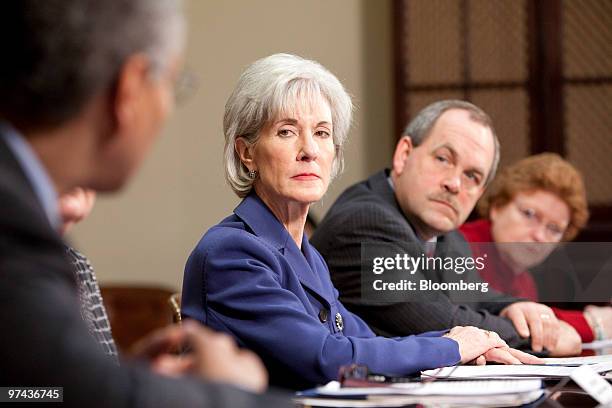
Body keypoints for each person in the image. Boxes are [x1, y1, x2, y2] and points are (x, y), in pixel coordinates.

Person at [181, 54, 540, 391]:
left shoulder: (308, 255)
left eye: (322, 133)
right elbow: (327, 358)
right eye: (287, 131)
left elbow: (366, 342)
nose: (309, 150)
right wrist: (452, 347)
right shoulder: (230, 251)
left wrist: (467, 340)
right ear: (247, 153)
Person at [0, 1, 290, 406]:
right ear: (131, 88)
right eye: (173, 85)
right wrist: (229, 394)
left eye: (324, 133)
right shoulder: (14, 229)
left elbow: (36, 390)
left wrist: (124, 377)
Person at [311, 100, 581, 356]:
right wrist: (546, 338)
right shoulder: (365, 221)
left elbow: (474, 296)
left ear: (480, 192)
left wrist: (513, 306)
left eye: (472, 176)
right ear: (404, 155)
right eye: (443, 159)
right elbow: (441, 322)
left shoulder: (447, 235)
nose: (454, 183)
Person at [460, 153, 612, 343]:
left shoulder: (525, 282)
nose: (539, 236)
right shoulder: (459, 244)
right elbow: (479, 324)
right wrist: (592, 323)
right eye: (530, 214)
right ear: (497, 207)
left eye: (554, 229)